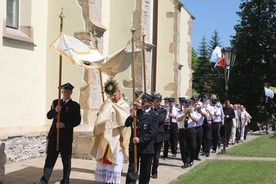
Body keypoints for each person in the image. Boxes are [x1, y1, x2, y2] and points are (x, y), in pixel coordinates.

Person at [39, 83, 81, 184]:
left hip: (66, 138)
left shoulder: (75, 105)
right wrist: (55, 110)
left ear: (71, 93)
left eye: (68, 91)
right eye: (64, 91)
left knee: (66, 161)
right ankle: (44, 181)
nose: (66, 93)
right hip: (54, 136)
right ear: (61, 92)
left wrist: (64, 124)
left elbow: (77, 121)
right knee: (49, 160)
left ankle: (65, 180)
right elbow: (49, 116)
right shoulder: (56, 102)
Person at [91, 89, 130, 184]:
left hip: (116, 136)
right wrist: (105, 106)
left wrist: (110, 107)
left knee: (114, 157)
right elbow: (100, 116)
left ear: (119, 95)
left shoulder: (124, 105)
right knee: (104, 159)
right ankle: (105, 180)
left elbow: (124, 120)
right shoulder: (107, 103)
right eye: (112, 95)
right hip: (105, 135)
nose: (113, 96)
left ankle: (114, 181)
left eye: (115, 95)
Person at [125, 93, 158, 184]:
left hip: (146, 147)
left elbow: (152, 132)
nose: (142, 102)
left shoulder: (154, 115)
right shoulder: (137, 113)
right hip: (135, 147)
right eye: (142, 101)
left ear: (151, 103)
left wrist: (140, 140)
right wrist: (131, 116)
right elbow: (126, 124)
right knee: (132, 169)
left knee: (145, 171)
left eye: (145, 101)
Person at [151, 93, 167, 179]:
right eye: (157, 101)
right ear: (153, 101)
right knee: (148, 155)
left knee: (156, 156)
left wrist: (151, 115)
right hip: (149, 136)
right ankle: (147, 171)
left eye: (160, 101)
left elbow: (161, 119)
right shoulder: (150, 110)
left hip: (158, 136)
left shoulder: (163, 111)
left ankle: (154, 171)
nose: (159, 103)